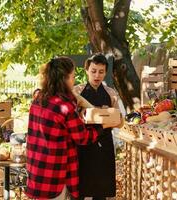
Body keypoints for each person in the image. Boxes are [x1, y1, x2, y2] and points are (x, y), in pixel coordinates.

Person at [26, 57, 104, 200]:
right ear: (65, 79)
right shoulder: (65, 107)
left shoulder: (38, 98)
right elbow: (83, 137)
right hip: (54, 175)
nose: (74, 80)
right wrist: (102, 126)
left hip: (36, 171)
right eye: (73, 76)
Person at [73, 54, 122, 200]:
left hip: (104, 145)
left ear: (105, 72)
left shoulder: (111, 94)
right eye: (93, 71)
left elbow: (119, 121)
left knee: (101, 191)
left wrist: (110, 118)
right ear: (86, 70)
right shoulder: (76, 92)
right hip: (82, 145)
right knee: (80, 190)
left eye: (101, 72)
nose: (97, 75)